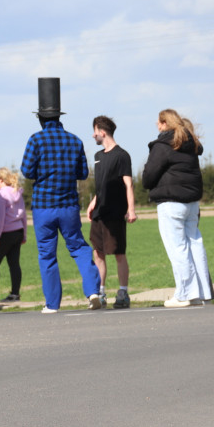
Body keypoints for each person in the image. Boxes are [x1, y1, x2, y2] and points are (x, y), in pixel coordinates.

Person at [20, 77, 102, 313]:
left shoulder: (35, 140)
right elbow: (83, 173)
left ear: (40, 118)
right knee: (79, 248)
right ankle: (93, 291)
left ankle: (52, 304)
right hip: (68, 206)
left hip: (43, 207)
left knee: (47, 255)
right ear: (59, 117)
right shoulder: (75, 141)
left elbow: (27, 171)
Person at [141, 109, 213, 308]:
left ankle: (184, 293)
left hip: (170, 203)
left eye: (158, 122)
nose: (157, 125)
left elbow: (148, 177)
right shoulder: (190, 144)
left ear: (165, 123)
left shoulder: (163, 145)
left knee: (177, 248)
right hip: (192, 203)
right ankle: (201, 292)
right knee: (195, 245)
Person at [86, 115, 138, 309]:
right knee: (98, 253)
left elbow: (128, 184)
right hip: (99, 213)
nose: (93, 135)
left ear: (102, 132)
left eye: (94, 131)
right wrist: (93, 202)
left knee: (118, 253)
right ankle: (100, 293)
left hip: (115, 214)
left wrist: (131, 210)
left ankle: (123, 292)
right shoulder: (98, 157)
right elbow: (101, 186)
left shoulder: (122, 155)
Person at [0, 167, 27, 303]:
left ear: (1, 180)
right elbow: (24, 216)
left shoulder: (0, 196)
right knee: (14, 264)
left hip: (5, 233)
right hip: (18, 232)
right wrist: (24, 235)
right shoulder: (17, 193)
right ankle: (15, 294)